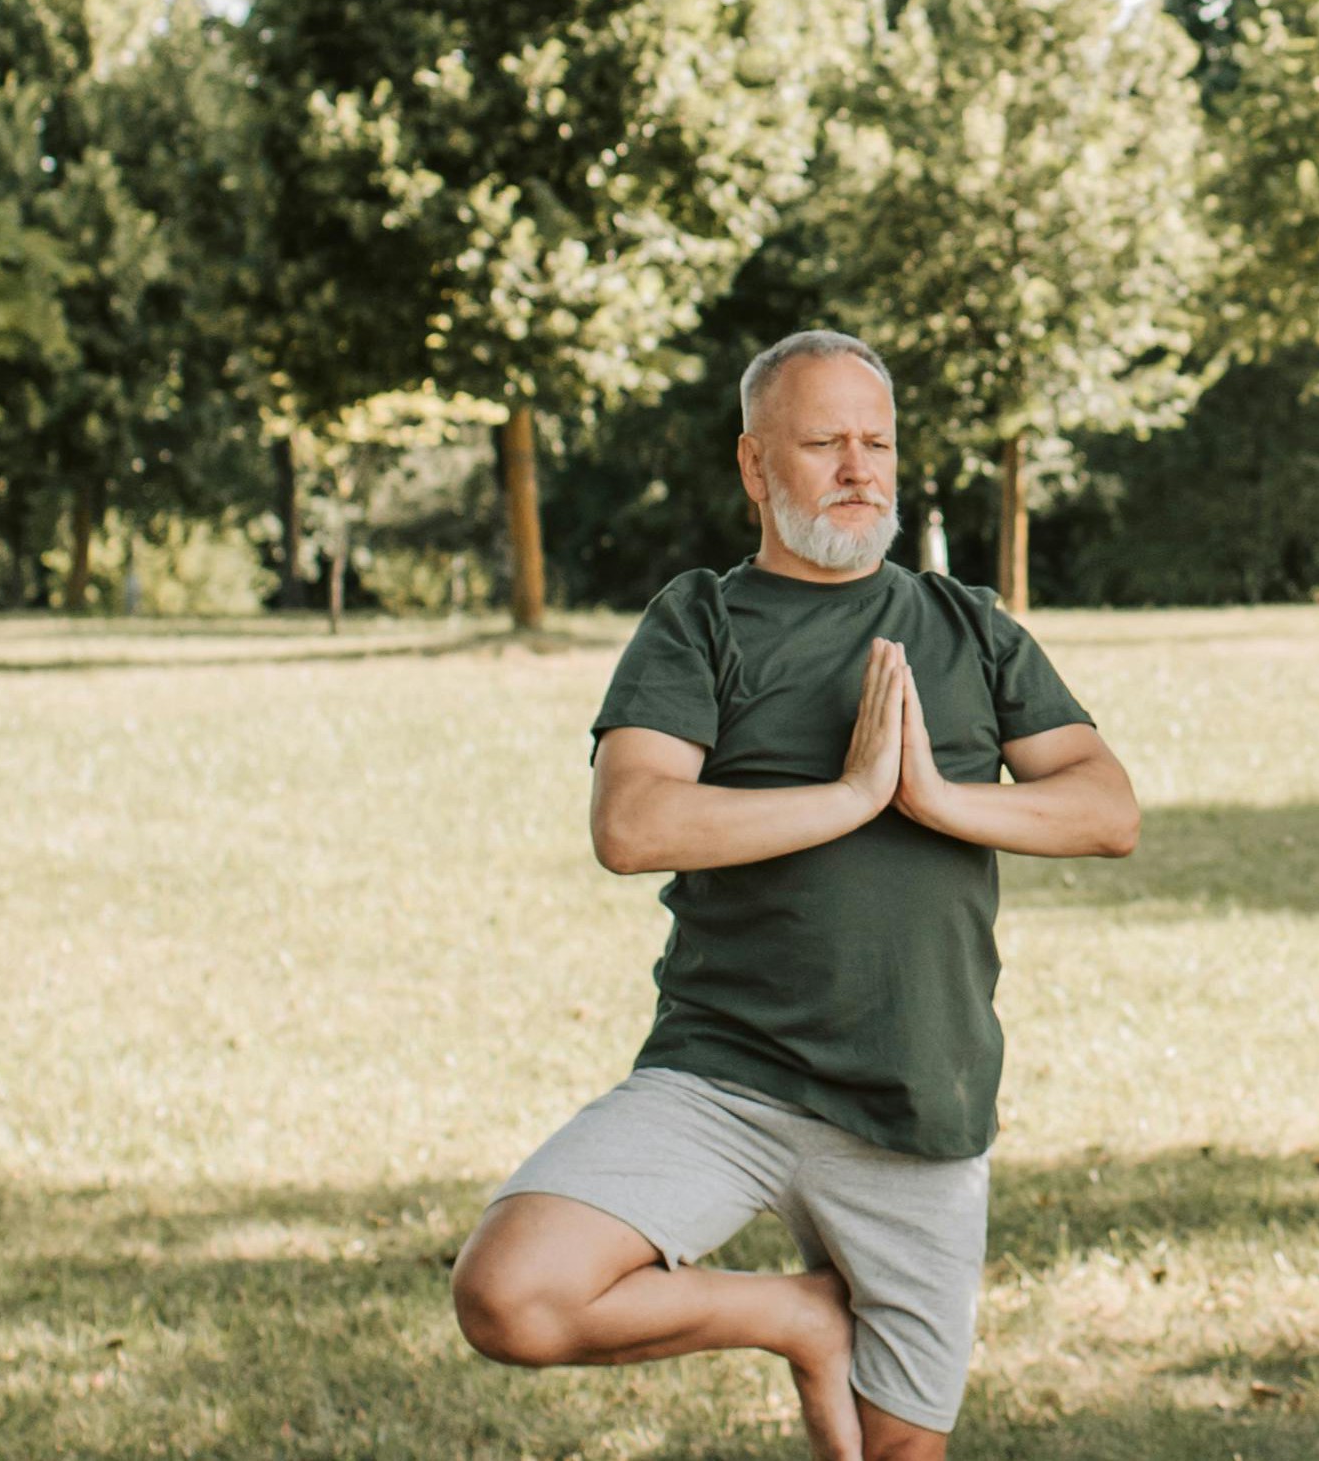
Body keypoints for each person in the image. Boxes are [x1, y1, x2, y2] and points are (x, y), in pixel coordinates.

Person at [451, 329, 1139, 1461]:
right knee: (512, 1291)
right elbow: (632, 823)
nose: (859, 467)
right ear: (755, 466)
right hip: (726, 1075)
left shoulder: (968, 623)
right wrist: (851, 790)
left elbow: (1104, 807)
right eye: (823, 442)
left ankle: (824, 1327)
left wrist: (933, 796)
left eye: (877, 441)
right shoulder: (701, 619)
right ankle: (791, 1312)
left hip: (919, 1099)